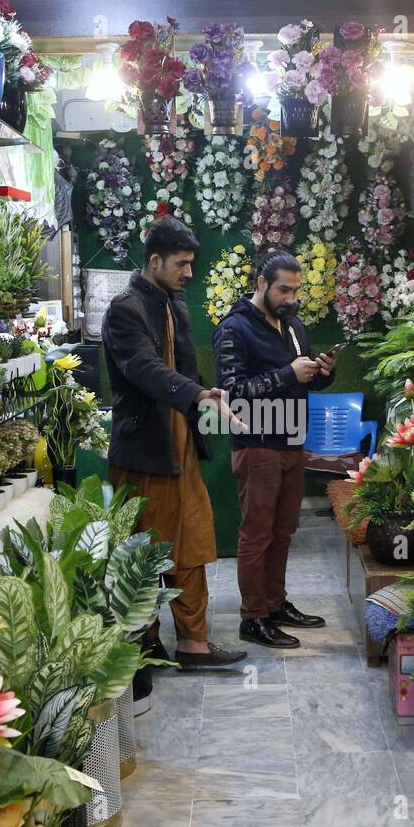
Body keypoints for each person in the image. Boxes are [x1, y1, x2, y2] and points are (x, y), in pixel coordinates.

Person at [100, 216, 246, 669]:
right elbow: (145, 369)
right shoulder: (125, 309)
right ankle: (145, 643)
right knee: (146, 550)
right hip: (145, 454)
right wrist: (197, 394)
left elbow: (182, 369)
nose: (188, 273)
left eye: (191, 265)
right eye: (181, 264)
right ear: (155, 260)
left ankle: (193, 643)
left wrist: (206, 390)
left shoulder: (174, 303)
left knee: (195, 544)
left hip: (181, 449)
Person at [212, 250, 335, 649]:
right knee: (257, 534)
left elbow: (302, 382)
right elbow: (232, 392)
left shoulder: (293, 324)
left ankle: (276, 604)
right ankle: (253, 617)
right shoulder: (233, 329)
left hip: (292, 442)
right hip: (257, 445)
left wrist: (320, 374)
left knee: (283, 532)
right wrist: (288, 373)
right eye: (284, 289)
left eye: (296, 290)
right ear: (261, 284)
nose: (291, 298)